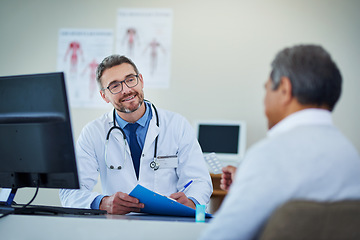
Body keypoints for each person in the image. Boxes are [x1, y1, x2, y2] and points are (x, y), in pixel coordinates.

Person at [199, 44, 360, 239]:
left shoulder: (267, 156)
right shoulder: (351, 156)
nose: (264, 100)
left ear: (284, 89)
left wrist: (252, 178)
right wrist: (248, 183)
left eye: (267, 89)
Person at [59, 55, 212, 214]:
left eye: (130, 79)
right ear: (104, 96)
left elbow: (199, 181)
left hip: (169, 222)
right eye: (114, 86)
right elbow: (69, 192)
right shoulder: (93, 133)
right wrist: (103, 203)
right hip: (119, 226)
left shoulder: (177, 125)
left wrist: (191, 201)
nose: (126, 89)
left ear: (141, 81)